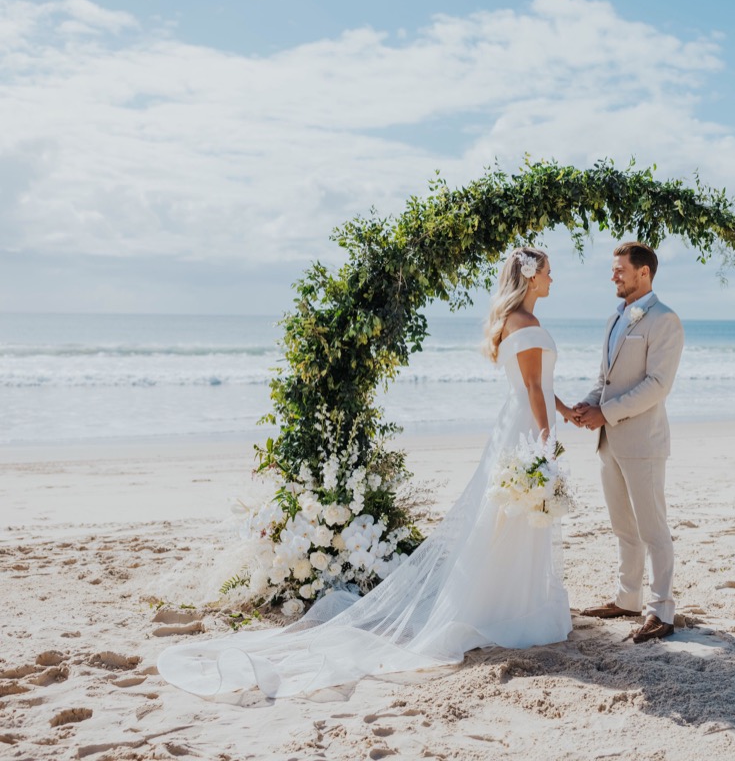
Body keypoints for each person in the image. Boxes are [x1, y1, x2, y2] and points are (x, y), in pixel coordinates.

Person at [159, 248, 574, 699]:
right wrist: (546, 436)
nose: (553, 278)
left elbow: (540, 385)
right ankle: (509, 605)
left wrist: (565, 408)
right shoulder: (526, 324)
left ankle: (510, 598)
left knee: (507, 515)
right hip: (524, 427)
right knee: (509, 516)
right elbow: (533, 386)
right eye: (548, 271)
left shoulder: (516, 321)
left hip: (515, 422)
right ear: (531, 279)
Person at [572, 242, 685, 644]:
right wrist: (587, 406)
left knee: (653, 527)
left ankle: (661, 611)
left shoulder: (665, 320)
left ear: (644, 273)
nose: (613, 276)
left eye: (620, 269)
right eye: (614, 269)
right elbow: (604, 379)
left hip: (643, 442)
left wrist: (608, 412)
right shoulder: (614, 318)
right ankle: (627, 598)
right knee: (623, 526)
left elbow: (657, 385)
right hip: (609, 441)